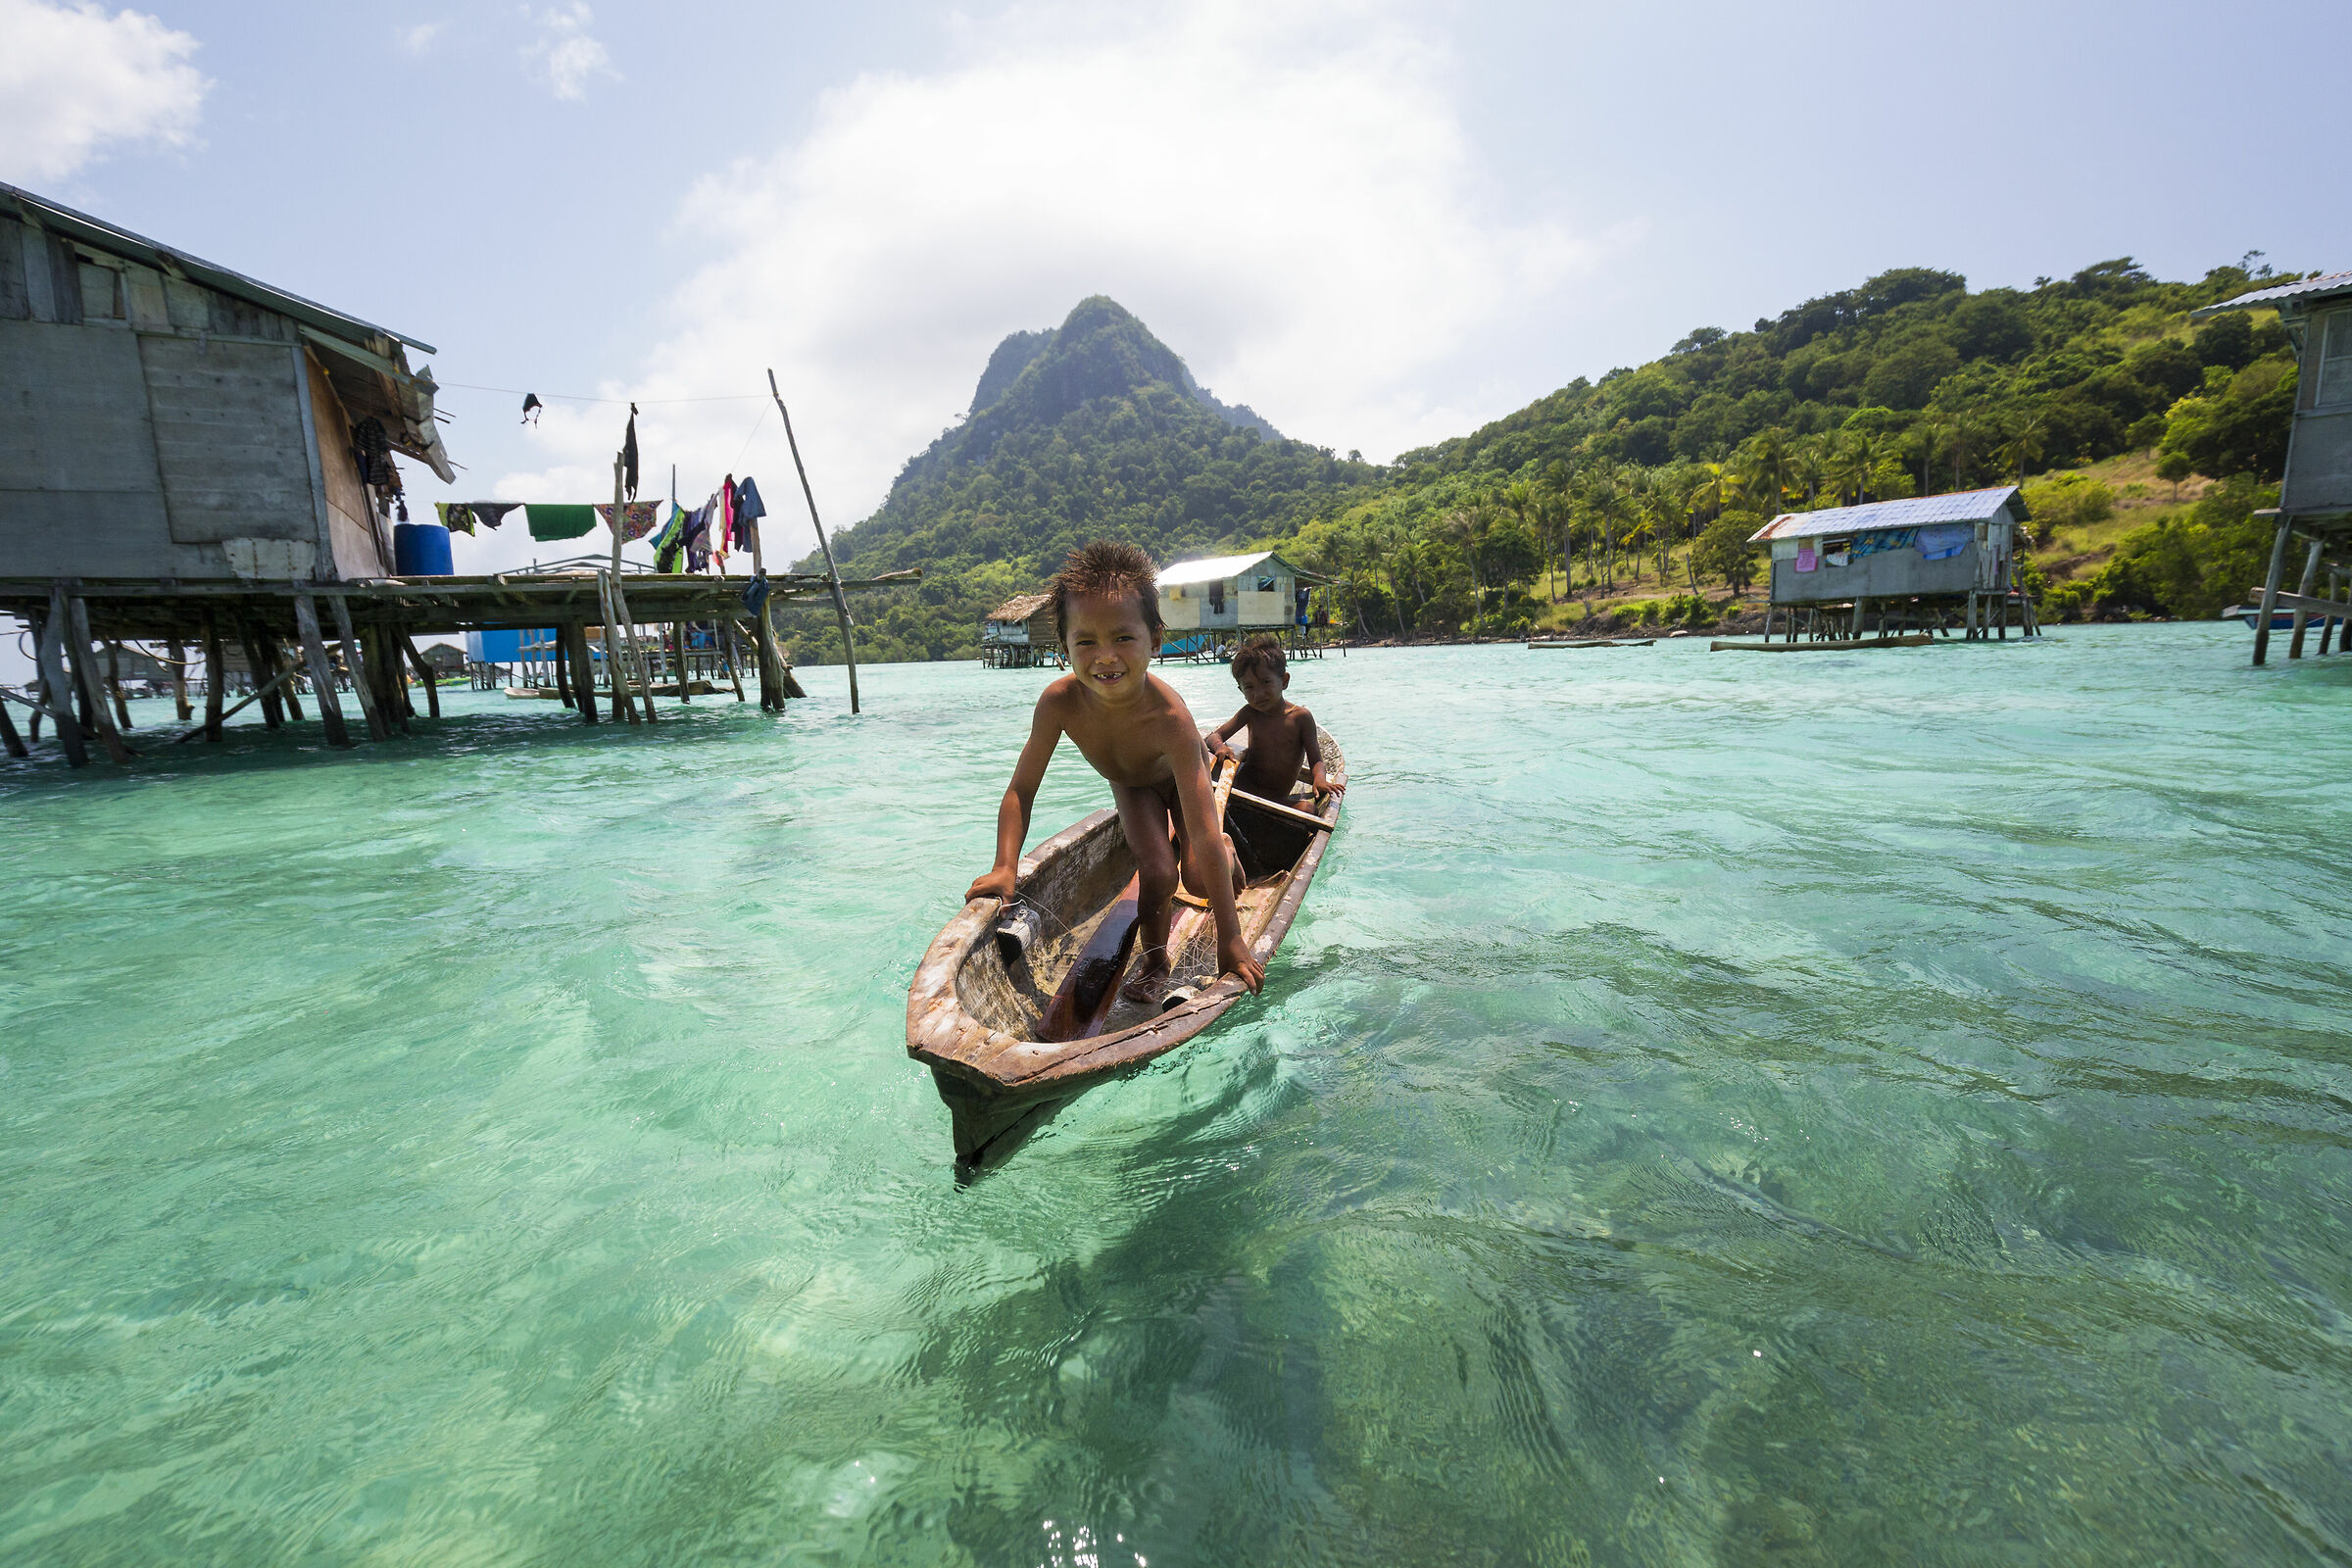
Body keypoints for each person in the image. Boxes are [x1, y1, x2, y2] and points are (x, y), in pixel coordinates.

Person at [965, 541, 1263, 1004]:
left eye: (1123, 638)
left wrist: (1231, 938)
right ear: (1064, 647)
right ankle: (1156, 957)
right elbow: (1022, 790)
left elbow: (1201, 832)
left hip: (1182, 778)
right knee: (1160, 874)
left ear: (1156, 640)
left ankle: (1230, 852)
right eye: (1086, 641)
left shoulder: (1171, 721)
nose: (1104, 656)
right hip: (1130, 782)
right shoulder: (1058, 703)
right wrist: (1005, 867)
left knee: (1202, 872)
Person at [1206, 636, 1343, 805]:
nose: (1259, 694)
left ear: (1284, 681)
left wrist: (1320, 779)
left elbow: (1317, 761)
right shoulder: (1250, 713)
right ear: (1241, 690)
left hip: (1277, 800)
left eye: (1265, 682)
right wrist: (1220, 747)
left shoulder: (1301, 717)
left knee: (1308, 809)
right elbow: (1213, 736)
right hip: (1243, 791)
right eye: (1249, 687)